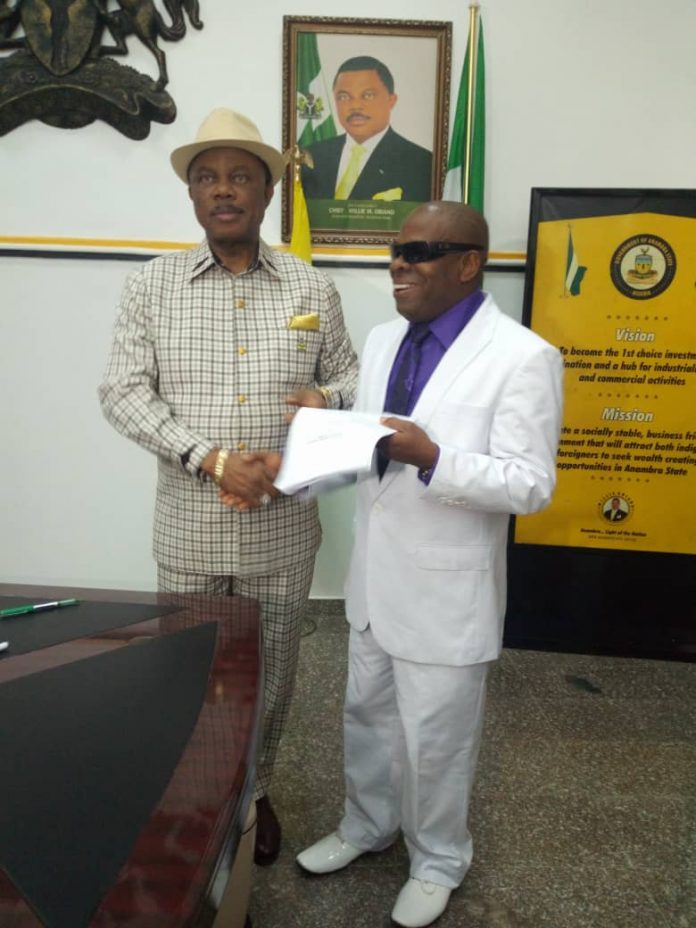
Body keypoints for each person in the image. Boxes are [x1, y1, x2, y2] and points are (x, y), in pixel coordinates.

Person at [98, 107, 358, 868]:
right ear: (190, 194)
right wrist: (210, 458)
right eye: (207, 177)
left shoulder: (313, 286)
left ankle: (255, 792)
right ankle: (194, 797)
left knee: (272, 674)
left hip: (283, 530)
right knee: (188, 673)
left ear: (267, 192)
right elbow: (122, 393)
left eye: (240, 176)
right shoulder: (151, 286)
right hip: (190, 528)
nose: (223, 190)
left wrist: (325, 404)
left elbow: (350, 380)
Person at [297, 202, 564, 927]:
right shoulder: (384, 339)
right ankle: (366, 825)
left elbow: (530, 485)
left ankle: (439, 860)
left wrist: (434, 458)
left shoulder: (523, 357)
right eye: (396, 250)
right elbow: (372, 446)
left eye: (418, 252)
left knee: (435, 742)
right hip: (374, 583)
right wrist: (316, 439)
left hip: (447, 595)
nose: (398, 264)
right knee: (366, 718)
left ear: (469, 263)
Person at [301, 55, 432, 202]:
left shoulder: (421, 163)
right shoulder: (311, 156)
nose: (355, 106)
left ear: (391, 100)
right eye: (344, 97)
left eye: (368, 95)